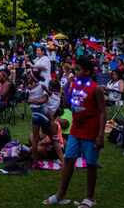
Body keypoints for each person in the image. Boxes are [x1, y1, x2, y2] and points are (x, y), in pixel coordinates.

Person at [44, 56, 105, 208]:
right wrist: (68, 88)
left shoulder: (96, 88)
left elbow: (103, 112)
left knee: (91, 164)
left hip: (91, 131)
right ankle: (60, 194)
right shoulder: (75, 85)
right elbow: (68, 105)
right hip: (76, 130)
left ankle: (90, 198)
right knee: (69, 160)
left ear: (87, 71)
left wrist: (101, 134)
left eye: (77, 69)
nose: (74, 72)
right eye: (74, 69)